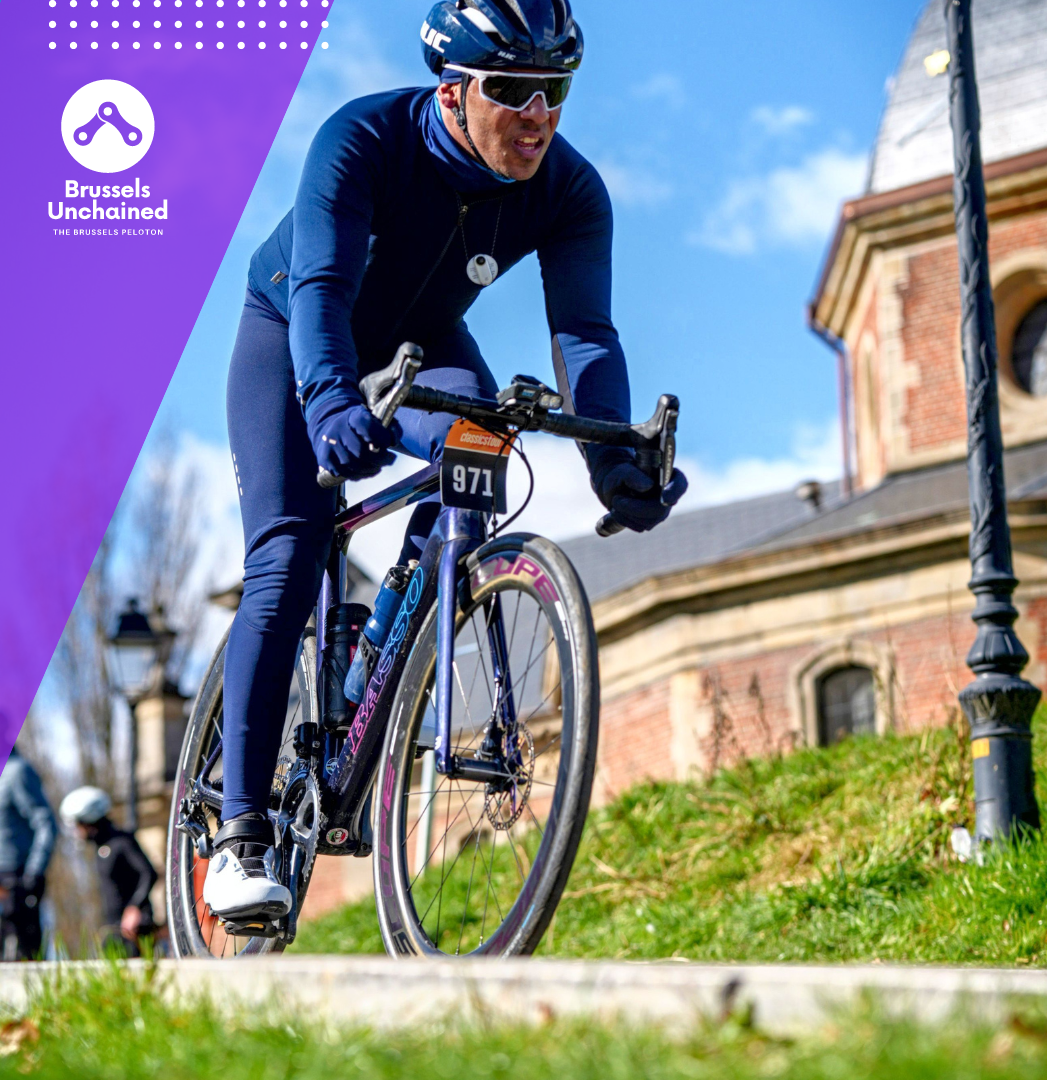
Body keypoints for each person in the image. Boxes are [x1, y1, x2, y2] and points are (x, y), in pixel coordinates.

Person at [205, 0, 688, 921]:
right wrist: (328, 398)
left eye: (555, 91)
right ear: (454, 89)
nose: (538, 113)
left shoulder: (572, 191)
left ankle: (372, 667)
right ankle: (240, 834)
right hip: (297, 333)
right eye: (512, 90)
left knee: (484, 449)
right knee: (288, 555)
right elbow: (322, 289)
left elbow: (585, 334)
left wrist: (612, 459)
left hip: (421, 342)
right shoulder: (362, 139)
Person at [58, 787, 158, 956]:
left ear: (89, 821)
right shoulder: (100, 848)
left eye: (78, 825)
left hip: (133, 928)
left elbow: (148, 873)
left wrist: (135, 907)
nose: (77, 832)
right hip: (112, 928)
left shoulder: (122, 842)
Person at [0, 747, 57, 960]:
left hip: (14, 880)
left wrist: (34, 871)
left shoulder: (17, 772)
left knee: (22, 957)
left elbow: (45, 824)